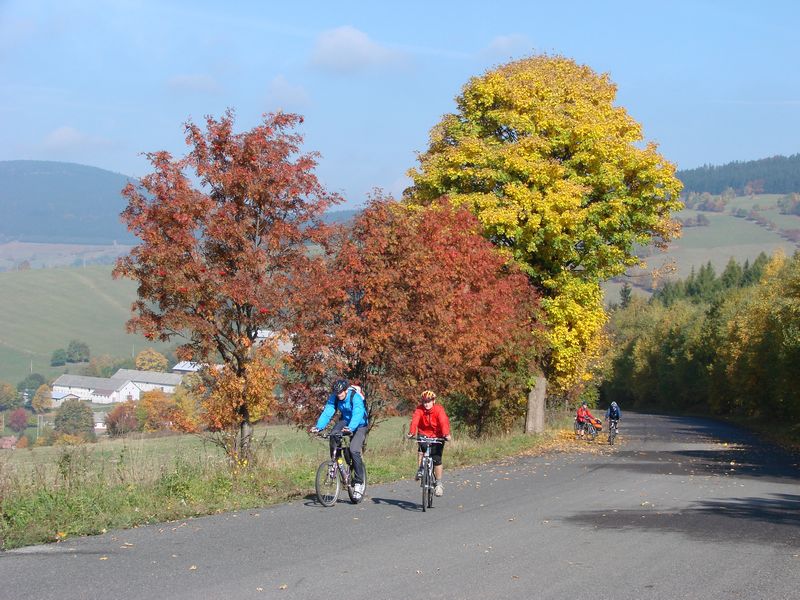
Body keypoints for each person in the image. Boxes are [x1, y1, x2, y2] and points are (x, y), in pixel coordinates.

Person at [310, 379, 368, 500]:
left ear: (346, 390)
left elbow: (358, 412)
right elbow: (328, 412)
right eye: (337, 393)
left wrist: (351, 428)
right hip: (345, 421)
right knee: (333, 435)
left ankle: (359, 483)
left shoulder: (355, 397)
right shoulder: (335, 397)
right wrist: (318, 426)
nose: (339, 395)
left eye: (341, 392)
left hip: (360, 424)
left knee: (354, 450)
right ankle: (336, 461)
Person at [407, 390, 451, 497]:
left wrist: (446, 434)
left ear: (433, 401)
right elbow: (415, 420)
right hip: (424, 434)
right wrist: (412, 432)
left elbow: (443, 421)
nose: (426, 404)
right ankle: (421, 469)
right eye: (424, 401)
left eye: (429, 401)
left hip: (438, 435)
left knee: (437, 459)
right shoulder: (419, 409)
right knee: (421, 447)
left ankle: (439, 484)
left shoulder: (438, 409)